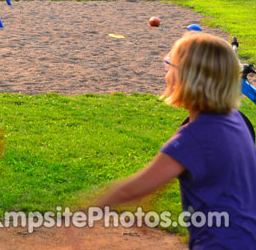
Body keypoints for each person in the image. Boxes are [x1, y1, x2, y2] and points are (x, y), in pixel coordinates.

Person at [96, 32, 256, 247]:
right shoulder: (233, 118)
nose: (165, 72)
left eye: (170, 65)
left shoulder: (193, 138)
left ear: (189, 78)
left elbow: (134, 188)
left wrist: (87, 211)